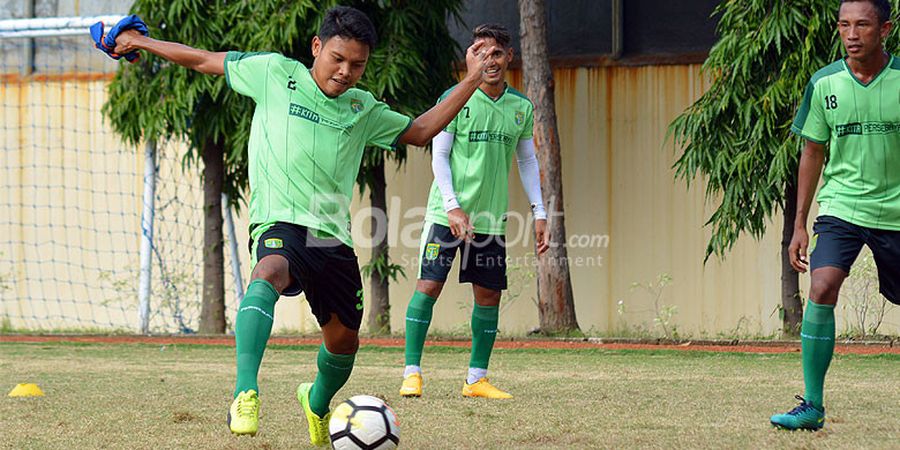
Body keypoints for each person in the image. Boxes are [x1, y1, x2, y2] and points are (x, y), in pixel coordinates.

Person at [103, 6, 496, 444]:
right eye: (338, 59)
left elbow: (421, 131)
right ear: (316, 47)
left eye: (357, 65)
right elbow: (201, 58)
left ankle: (316, 402)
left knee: (344, 342)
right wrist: (139, 41)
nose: (346, 72)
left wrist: (473, 78)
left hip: (330, 238)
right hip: (279, 219)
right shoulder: (274, 73)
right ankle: (245, 392)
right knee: (268, 271)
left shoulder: (362, 107)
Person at [399, 23, 549, 400]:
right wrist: (452, 206)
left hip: (490, 220)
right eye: (481, 53)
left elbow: (528, 161)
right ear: (471, 58)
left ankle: (476, 379)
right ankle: (412, 373)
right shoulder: (455, 97)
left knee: (488, 296)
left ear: (509, 57)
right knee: (429, 286)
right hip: (445, 215)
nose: (490, 60)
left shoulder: (521, 107)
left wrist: (540, 211)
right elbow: (440, 155)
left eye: (496, 53)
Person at [772, 0, 899, 431]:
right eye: (844, 24)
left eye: (862, 25)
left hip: (897, 212)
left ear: (885, 28)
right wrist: (799, 225)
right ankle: (811, 405)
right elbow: (812, 151)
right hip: (842, 207)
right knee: (822, 285)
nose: (851, 34)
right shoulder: (824, 83)